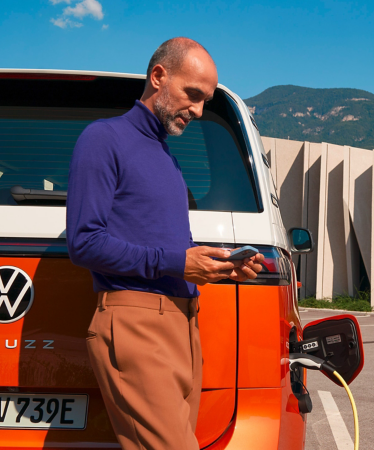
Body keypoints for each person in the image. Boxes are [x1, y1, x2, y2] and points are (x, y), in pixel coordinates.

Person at [66, 37, 264, 450]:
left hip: (183, 327)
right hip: (137, 325)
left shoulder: (166, 156)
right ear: (159, 76)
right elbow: (84, 243)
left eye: (205, 101)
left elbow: (166, 246)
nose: (197, 110)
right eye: (192, 95)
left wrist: (222, 265)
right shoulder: (104, 138)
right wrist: (176, 261)